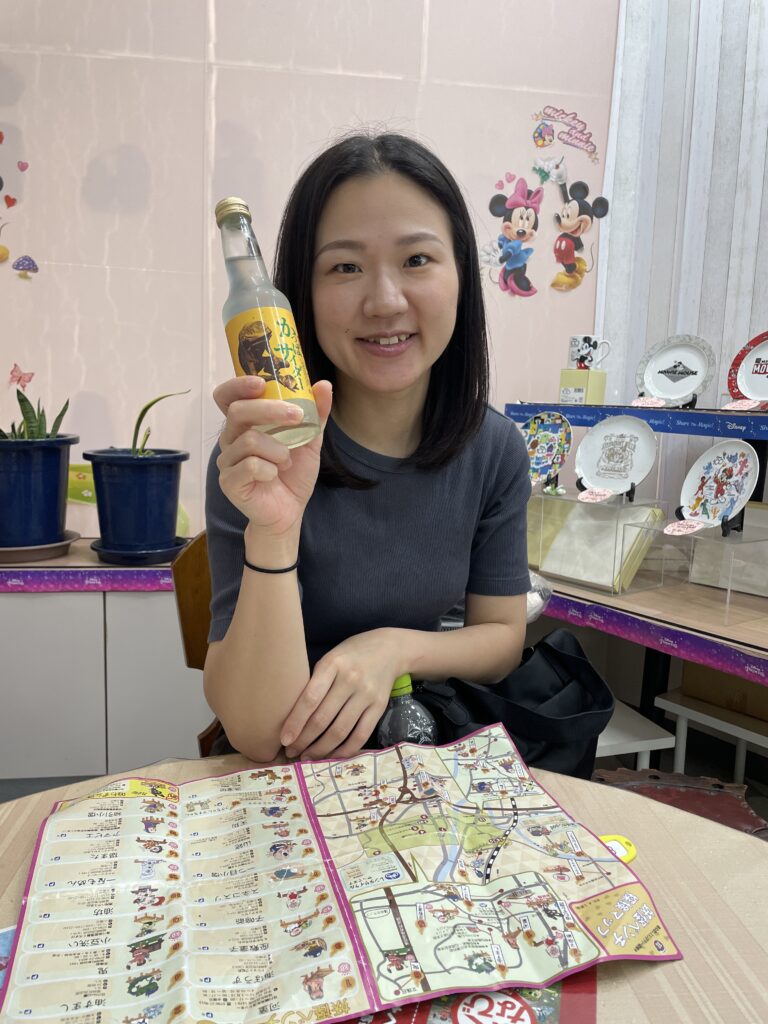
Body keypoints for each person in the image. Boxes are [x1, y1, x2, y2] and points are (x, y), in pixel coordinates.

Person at [204, 131, 531, 764]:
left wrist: (392, 649)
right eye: (345, 267)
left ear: (462, 274)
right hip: (283, 783)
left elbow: (502, 636)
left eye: (416, 260)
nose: (384, 301)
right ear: (302, 291)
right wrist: (273, 530)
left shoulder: (493, 448)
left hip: (418, 759)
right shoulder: (259, 453)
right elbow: (259, 734)